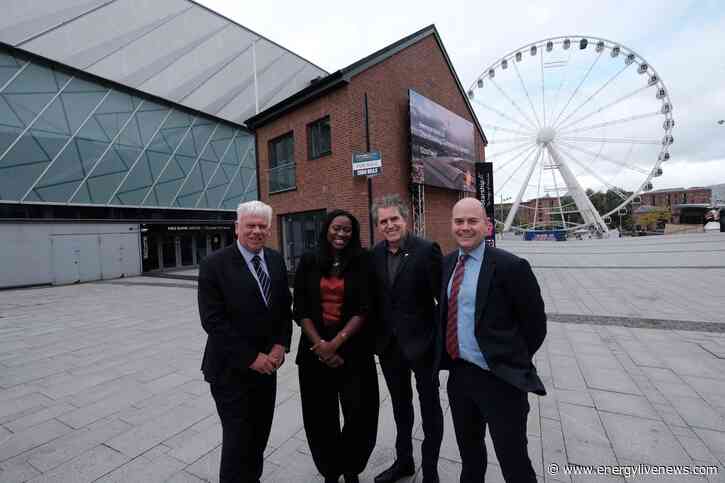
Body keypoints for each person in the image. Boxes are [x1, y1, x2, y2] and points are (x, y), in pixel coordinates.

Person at [437, 197, 547, 483]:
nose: (465, 227)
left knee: (514, 463)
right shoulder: (447, 264)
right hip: (460, 378)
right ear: (451, 225)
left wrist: (507, 359)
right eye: (459, 221)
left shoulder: (512, 267)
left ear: (486, 226)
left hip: (501, 382)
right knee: (470, 457)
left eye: (472, 221)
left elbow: (535, 326)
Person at [198, 200, 292, 483]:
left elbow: (283, 309)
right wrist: (252, 358)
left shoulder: (275, 259)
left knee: (259, 435)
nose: (256, 231)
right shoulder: (214, 265)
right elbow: (213, 322)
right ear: (236, 227)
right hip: (230, 372)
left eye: (262, 226)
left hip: (267, 370)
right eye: (250, 225)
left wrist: (280, 345)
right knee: (238, 441)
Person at [293, 209, 379, 483]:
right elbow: (301, 308)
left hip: (354, 352)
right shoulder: (308, 260)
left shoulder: (363, 260)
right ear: (326, 229)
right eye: (336, 228)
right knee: (320, 417)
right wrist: (321, 344)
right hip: (314, 353)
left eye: (347, 230)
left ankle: (351, 467)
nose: (341, 234)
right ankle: (330, 469)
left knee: (361, 414)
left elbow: (365, 307)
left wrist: (337, 343)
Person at [369, 194, 443, 483]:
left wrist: (438, 344)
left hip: (422, 347)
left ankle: (431, 471)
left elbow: (442, 302)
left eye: (394, 219)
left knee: (430, 409)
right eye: (383, 221)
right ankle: (404, 461)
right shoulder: (374, 255)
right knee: (401, 408)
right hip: (390, 348)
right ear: (378, 226)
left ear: (405, 219)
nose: (389, 225)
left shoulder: (427, 251)